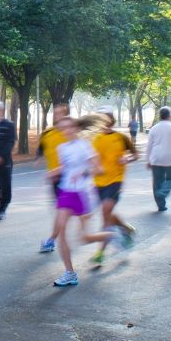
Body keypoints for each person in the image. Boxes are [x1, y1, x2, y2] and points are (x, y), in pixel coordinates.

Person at [49, 116, 117, 287]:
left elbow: (99, 169)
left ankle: (114, 235)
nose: (66, 131)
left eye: (68, 127)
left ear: (76, 128)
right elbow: (66, 167)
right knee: (61, 231)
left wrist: (84, 172)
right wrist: (54, 172)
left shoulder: (84, 146)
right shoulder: (62, 148)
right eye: (62, 128)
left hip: (82, 193)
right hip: (66, 192)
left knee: (84, 238)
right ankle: (70, 273)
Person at [91, 108, 137, 263]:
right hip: (98, 183)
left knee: (105, 212)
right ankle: (125, 228)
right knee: (107, 214)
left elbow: (135, 154)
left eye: (107, 117)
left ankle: (100, 252)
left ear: (112, 120)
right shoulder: (95, 139)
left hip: (115, 181)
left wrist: (127, 159)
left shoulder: (121, 137)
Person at [37, 103, 70, 253]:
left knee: (65, 214)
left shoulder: (70, 134)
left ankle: (115, 230)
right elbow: (41, 148)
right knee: (61, 213)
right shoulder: (47, 133)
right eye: (56, 114)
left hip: (70, 178)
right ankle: (52, 240)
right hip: (55, 179)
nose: (58, 116)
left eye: (61, 114)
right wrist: (39, 158)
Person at [145, 106, 171, 212]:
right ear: (170, 116)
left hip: (156, 158)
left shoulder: (154, 128)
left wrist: (147, 160)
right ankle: (163, 192)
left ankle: (161, 206)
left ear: (160, 116)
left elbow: (149, 146)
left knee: (157, 182)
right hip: (169, 158)